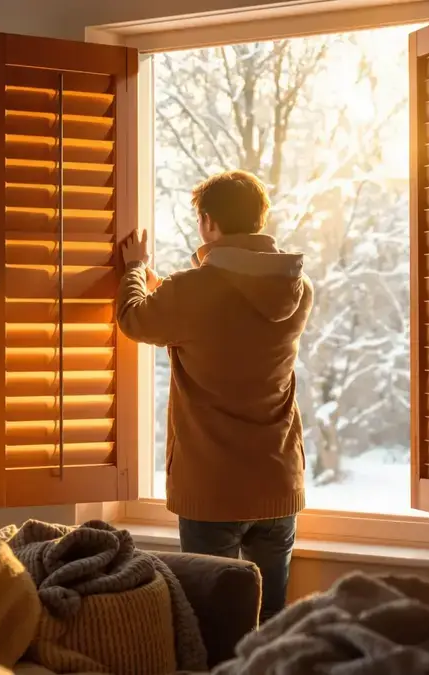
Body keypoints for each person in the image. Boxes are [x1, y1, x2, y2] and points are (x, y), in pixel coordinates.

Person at [116, 170, 313, 623]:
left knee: (212, 626)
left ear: (208, 222)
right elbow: (229, 313)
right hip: (278, 481)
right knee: (271, 623)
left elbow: (134, 318)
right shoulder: (297, 289)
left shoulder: (193, 290)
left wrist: (132, 271)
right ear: (260, 219)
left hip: (212, 487)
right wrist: (165, 286)